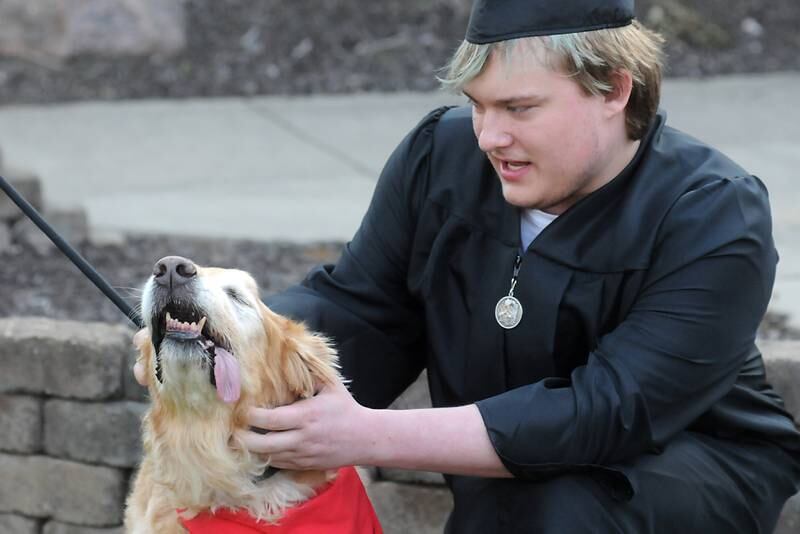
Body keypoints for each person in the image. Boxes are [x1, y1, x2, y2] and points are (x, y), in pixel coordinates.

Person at [136, 1, 800, 531]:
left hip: (687, 471)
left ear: (614, 90)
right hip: (506, 479)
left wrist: (370, 434)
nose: (489, 136)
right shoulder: (440, 159)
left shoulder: (711, 213)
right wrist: (217, 330)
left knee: (560, 507)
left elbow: (613, 408)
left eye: (519, 108)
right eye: (478, 105)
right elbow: (364, 311)